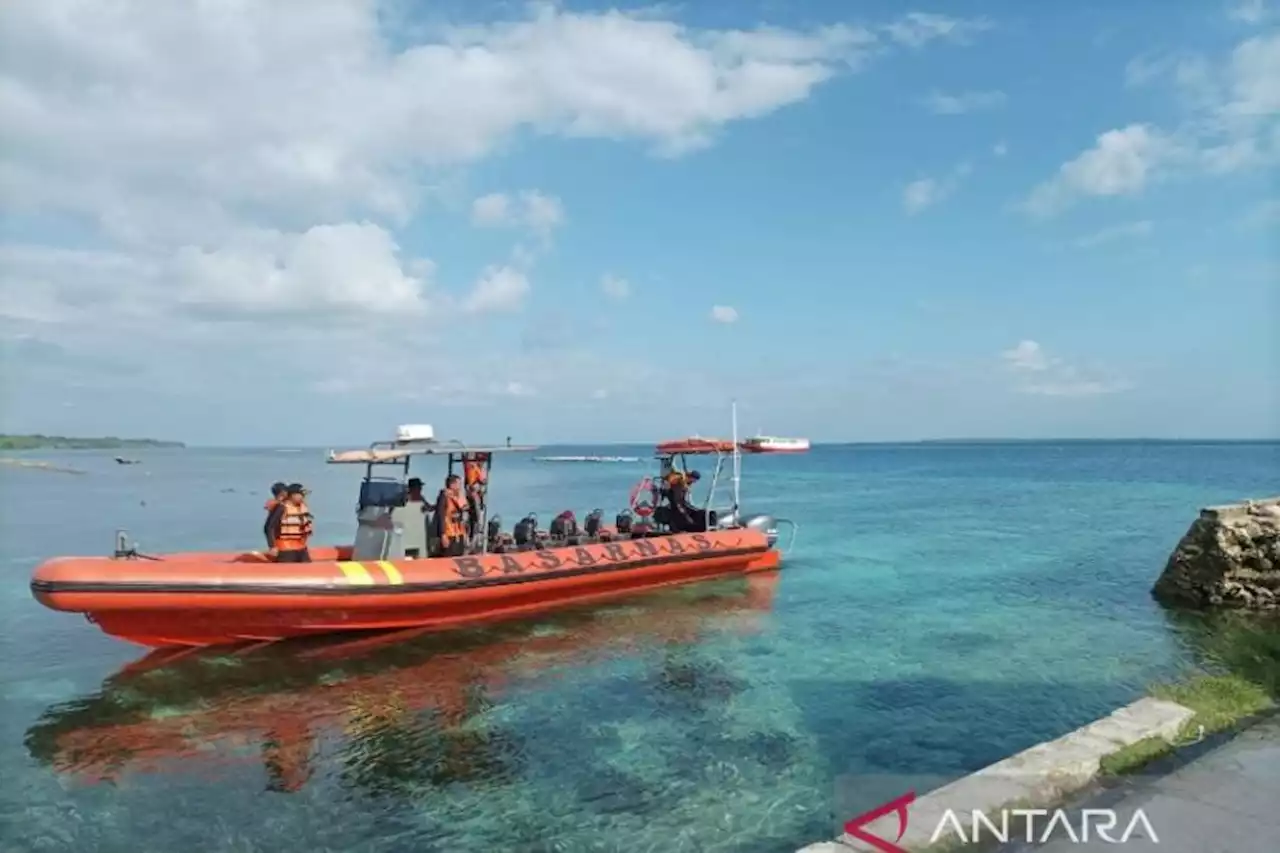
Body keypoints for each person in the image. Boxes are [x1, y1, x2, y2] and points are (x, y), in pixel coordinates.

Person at [266, 483, 314, 562]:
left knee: (308, 569)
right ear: (292, 495)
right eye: (301, 494)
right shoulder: (281, 508)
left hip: (301, 548)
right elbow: (269, 527)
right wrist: (272, 546)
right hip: (286, 549)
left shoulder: (301, 508)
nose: (303, 497)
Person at [434, 474, 469, 556]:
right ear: (452, 485)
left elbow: (465, 508)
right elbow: (441, 515)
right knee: (448, 556)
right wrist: (443, 534)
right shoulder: (444, 496)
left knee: (459, 555)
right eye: (458, 484)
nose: (460, 487)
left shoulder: (459, 497)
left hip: (459, 533)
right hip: (448, 533)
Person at [401, 477, 433, 559]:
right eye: (419, 487)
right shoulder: (405, 498)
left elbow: (428, 508)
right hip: (407, 534)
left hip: (418, 534)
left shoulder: (420, 498)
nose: (421, 489)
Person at [463, 453, 489, 540]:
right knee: (476, 516)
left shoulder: (472, 466)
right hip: (473, 494)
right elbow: (482, 481)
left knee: (474, 516)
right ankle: (477, 530)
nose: (482, 463)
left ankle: (474, 532)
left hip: (473, 493)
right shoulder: (473, 467)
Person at [263, 482, 287, 550]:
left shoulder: (282, 504)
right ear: (282, 492)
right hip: (281, 544)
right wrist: (272, 546)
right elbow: (269, 527)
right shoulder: (279, 507)